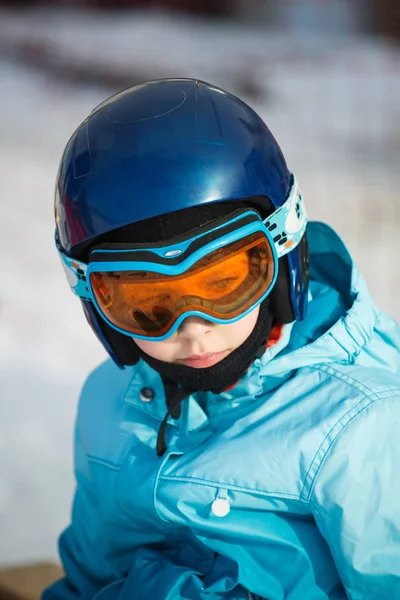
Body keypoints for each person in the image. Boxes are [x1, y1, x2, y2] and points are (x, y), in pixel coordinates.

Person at [43, 78, 400, 600]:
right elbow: (91, 573)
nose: (192, 326)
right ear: (94, 299)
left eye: (222, 282)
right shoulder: (109, 405)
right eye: (146, 301)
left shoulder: (360, 428)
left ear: (281, 254)